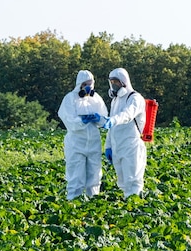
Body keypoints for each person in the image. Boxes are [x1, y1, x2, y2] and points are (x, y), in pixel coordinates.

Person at [57, 70, 108, 200]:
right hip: (76, 143)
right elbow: (67, 119)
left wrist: (98, 118)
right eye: (85, 84)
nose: (88, 87)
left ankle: (93, 203)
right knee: (76, 177)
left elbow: (104, 119)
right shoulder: (70, 98)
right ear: (79, 84)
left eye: (90, 84)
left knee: (95, 177)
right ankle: (73, 203)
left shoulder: (96, 99)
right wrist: (81, 120)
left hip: (93, 142)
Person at [101, 68, 147, 199]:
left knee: (133, 181)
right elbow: (112, 128)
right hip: (117, 147)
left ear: (124, 82)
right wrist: (108, 146)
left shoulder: (135, 98)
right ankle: (128, 207)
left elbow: (127, 114)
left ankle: (135, 208)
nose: (114, 85)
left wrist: (113, 120)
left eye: (116, 81)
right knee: (122, 183)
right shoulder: (115, 100)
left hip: (131, 147)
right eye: (111, 82)